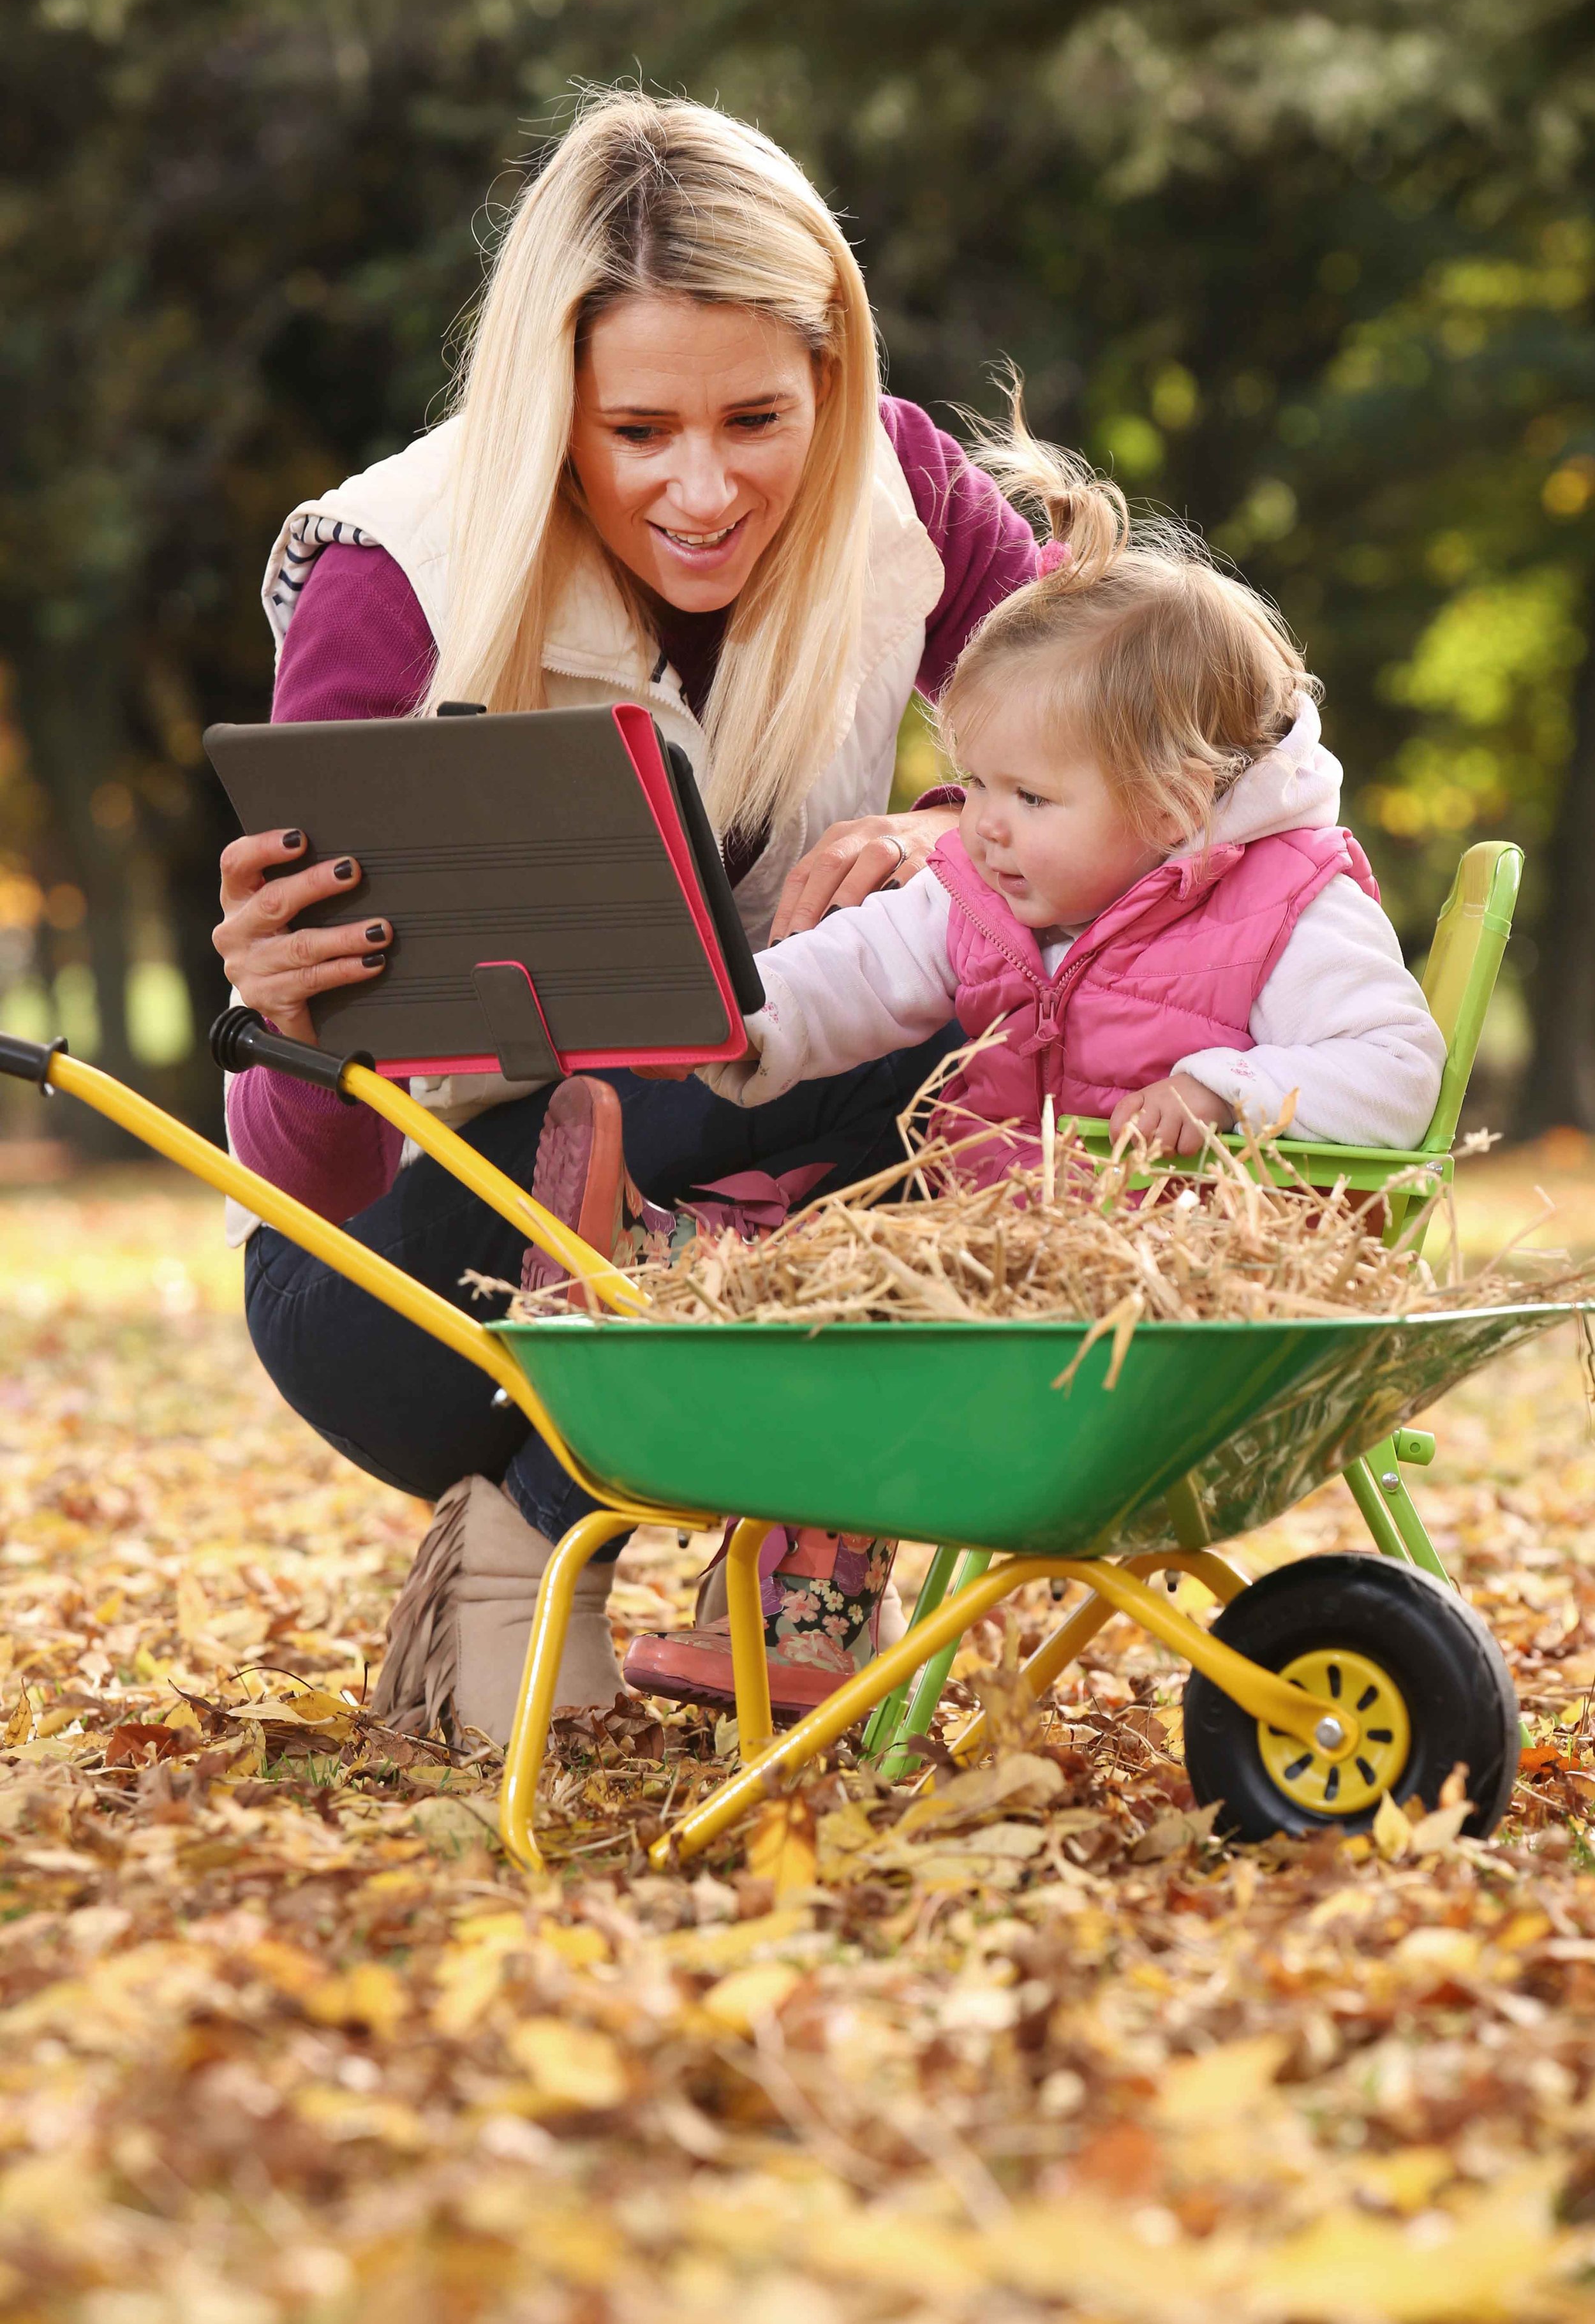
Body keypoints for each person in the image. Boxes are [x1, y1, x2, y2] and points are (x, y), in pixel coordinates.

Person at [214, 91, 1048, 1742]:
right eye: (636, 430)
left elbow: (1133, 779)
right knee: (863, 1018)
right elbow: (309, 1185)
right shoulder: (399, 580)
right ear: (551, 407)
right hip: (426, 1284)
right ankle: (537, 1513)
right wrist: (287, 1030)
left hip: (753, 1230)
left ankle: (749, 1547)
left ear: (833, 373)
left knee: (975, 985)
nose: (702, 488)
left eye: (756, 417)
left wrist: (946, 827)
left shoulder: (904, 494)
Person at [621, 399, 1448, 1702]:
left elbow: (1394, 1073)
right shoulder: (998, 890)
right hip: (1001, 1272)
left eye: (1025, 797)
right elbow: (870, 964)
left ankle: (677, 1265)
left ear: (1175, 798)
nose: (977, 827)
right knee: (850, 1287)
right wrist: (754, 1022)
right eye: (976, 783)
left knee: (867, 1312)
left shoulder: (1290, 904)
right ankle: (790, 1593)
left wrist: (1230, 1088)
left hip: (1160, 1308)